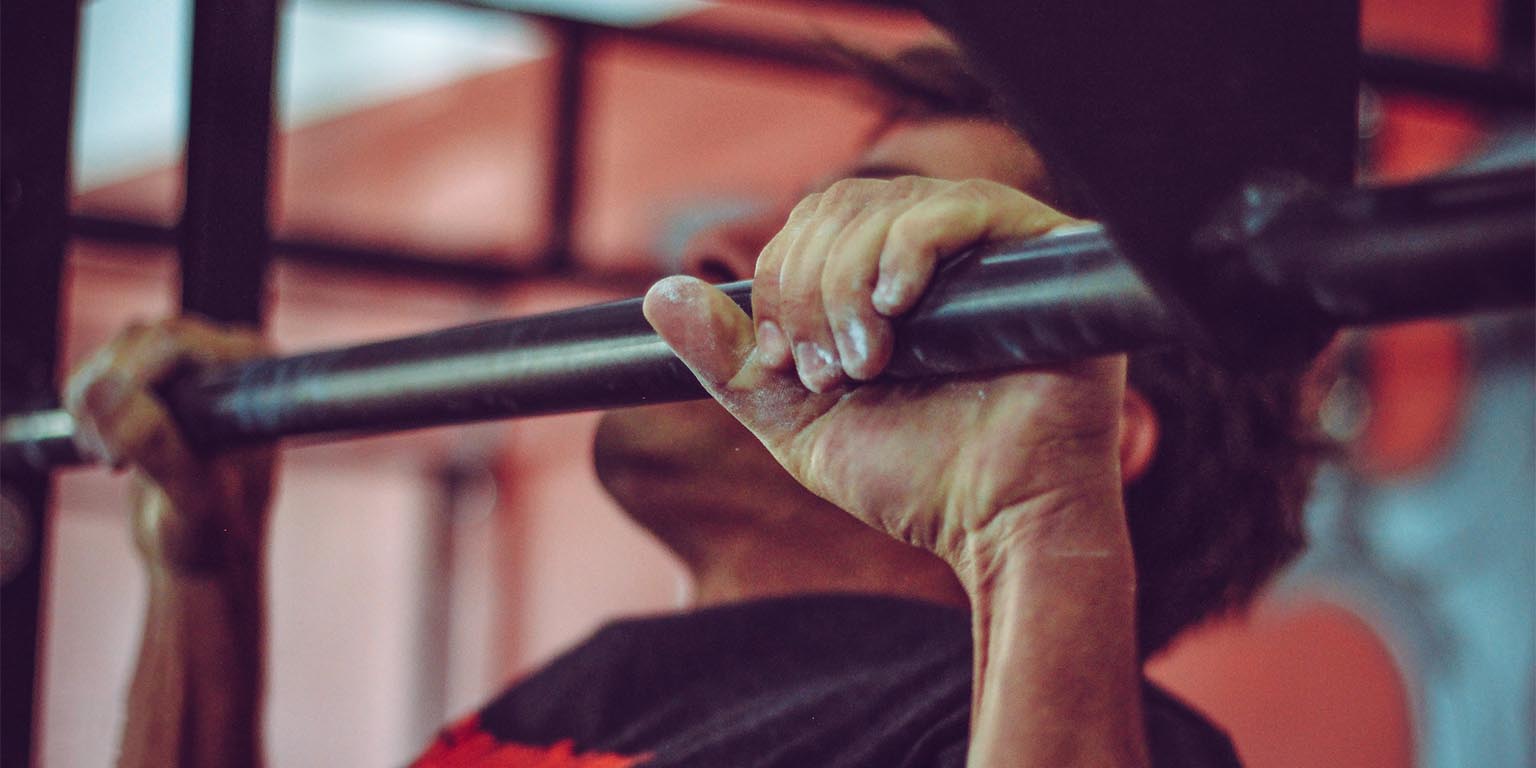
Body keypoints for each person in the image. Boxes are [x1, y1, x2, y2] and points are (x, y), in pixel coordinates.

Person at [67, 44, 1323, 767]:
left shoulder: (1086, 740)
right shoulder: (591, 696)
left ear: (1102, 424)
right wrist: (207, 581)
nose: (731, 240)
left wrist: (1041, 533)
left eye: (873, 237)